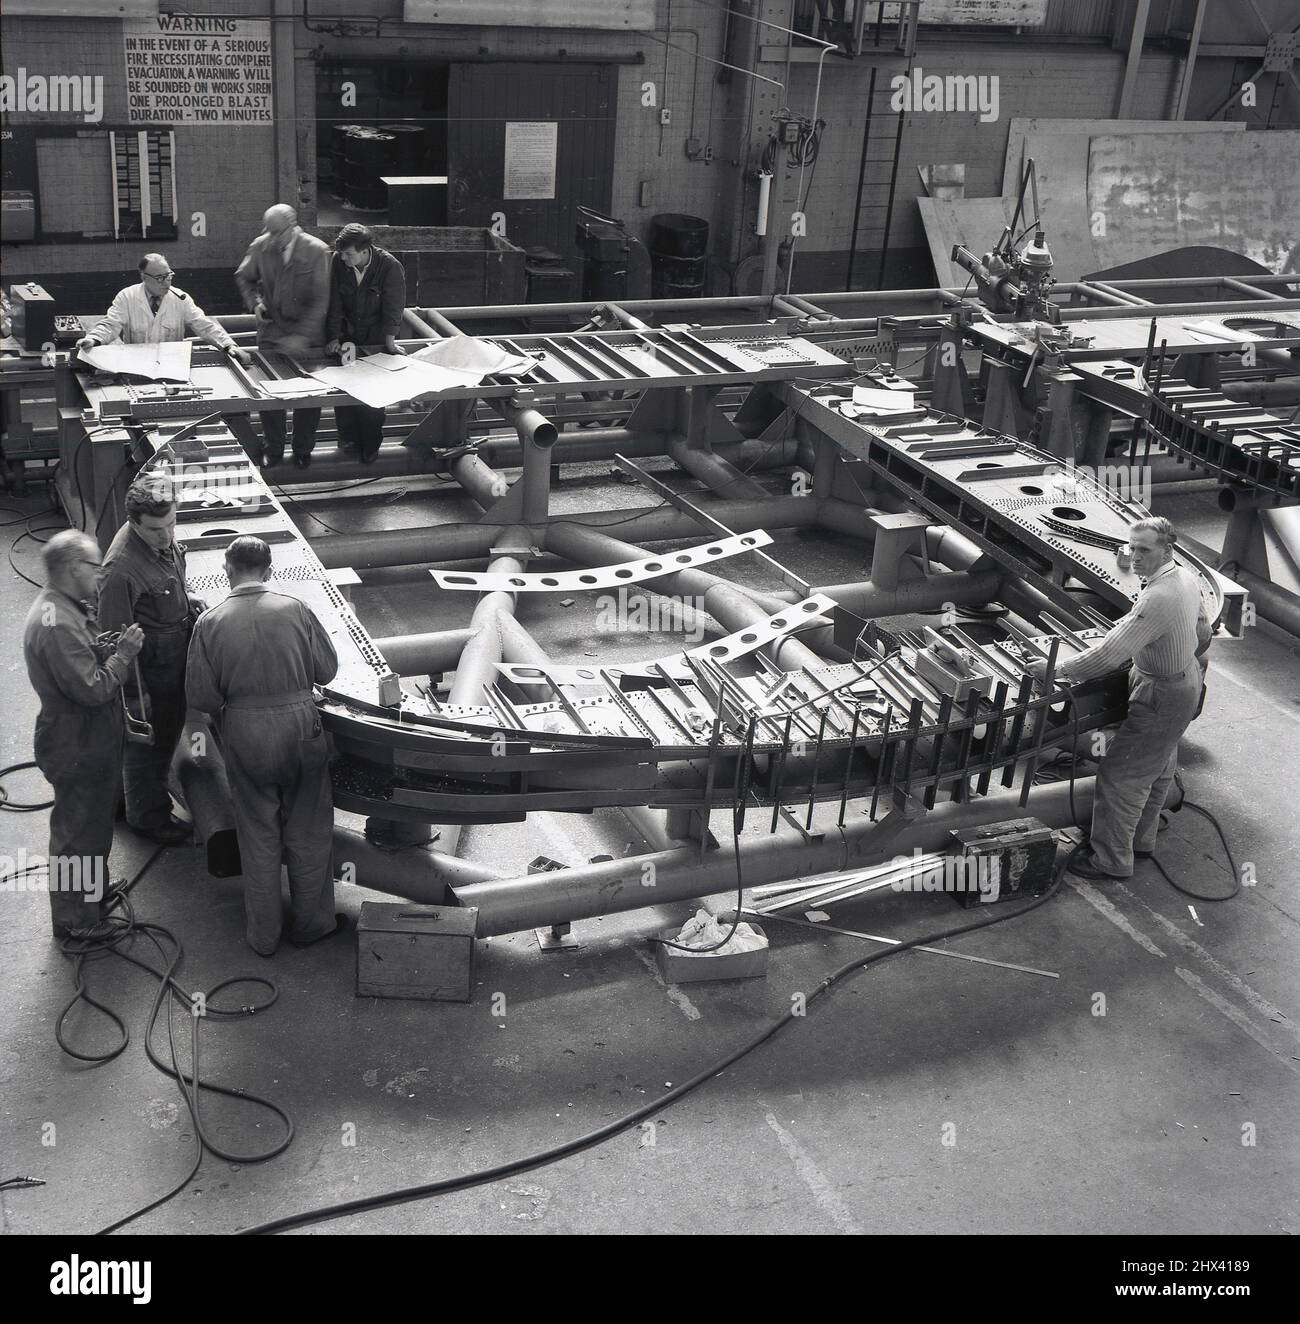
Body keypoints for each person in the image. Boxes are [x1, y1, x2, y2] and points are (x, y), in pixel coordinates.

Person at [1027, 516, 1212, 881]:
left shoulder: (1158, 597)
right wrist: (1174, 652)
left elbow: (1109, 654)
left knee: (1121, 777)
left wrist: (1054, 670)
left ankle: (1111, 860)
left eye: (1144, 550)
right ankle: (1140, 841)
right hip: (1184, 681)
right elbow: (1202, 631)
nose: (1135, 556)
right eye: (1132, 547)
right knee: (1157, 767)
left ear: (1167, 550)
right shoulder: (1185, 579)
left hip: (1162, 692)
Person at [185, 536, 342, 956]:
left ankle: (264, 937)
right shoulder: (295, 609)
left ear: (227, 570)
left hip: (245, 735)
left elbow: (201, 697)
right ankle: (312, 926)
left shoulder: (209, 623)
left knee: (257, 838)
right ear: (269, 571)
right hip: (301, 730)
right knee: (309, 834)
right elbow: (327, 672)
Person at [22, 530, 145, 938]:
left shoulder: (67, 607)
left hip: (87, 739)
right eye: (95, 567)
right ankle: (75, 920)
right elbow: (93, 689)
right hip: (77, 741)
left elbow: (82, 664)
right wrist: (123, 654)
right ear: (74, 568)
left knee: (92, 826)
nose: (99, 575)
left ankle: (89, 894)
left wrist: (102, 648)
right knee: (77, 833)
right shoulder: (56, 623)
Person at [97, 478, 199, 846]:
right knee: (148, 744)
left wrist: (189, 605)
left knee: (164, 736)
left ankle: (125, 801)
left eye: (172, 524)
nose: (166, 535)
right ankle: (148, 817)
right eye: (156, 529)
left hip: (170, 658)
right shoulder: (121, 570)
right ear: (134, 523)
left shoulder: (160, 540)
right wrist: (135, 702)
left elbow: (167, 583)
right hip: (150, 673)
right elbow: (113, 640)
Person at [234, 204, 331, 470]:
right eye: (270, 231)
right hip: (272, 330)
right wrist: (255, 304)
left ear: (293, 225)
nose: (273, 238)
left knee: (310, 395)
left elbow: (321, 300)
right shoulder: (260, 246)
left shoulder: (317, 251)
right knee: (269, 394)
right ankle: (273, 449)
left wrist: (302, 336)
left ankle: (303, 449)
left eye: (279, 232)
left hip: (308, 335)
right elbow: (244, 277)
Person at [325, 223, 408, 464]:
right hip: (348, 338)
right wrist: (333, 336)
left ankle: (370, 447)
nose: (343, 258)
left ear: (365, 251)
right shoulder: (339, 262)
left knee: (372, 396)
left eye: (348, 254)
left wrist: (390, 343)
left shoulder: (389, 266)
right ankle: (347, 440)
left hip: (375, 339)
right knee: (345, 388)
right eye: (341, 253)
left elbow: (394, 306)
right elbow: (335, 301)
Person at [77, 253, 251, 364]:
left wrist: (229, 345)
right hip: (137, 365)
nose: (167, 282)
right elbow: (110, 325)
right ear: (144, 277)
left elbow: (204, 325)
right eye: (160, 278)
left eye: (169, 276)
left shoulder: (180, 298)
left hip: (173, 365)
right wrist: (93, 339)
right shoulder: (127, 297)